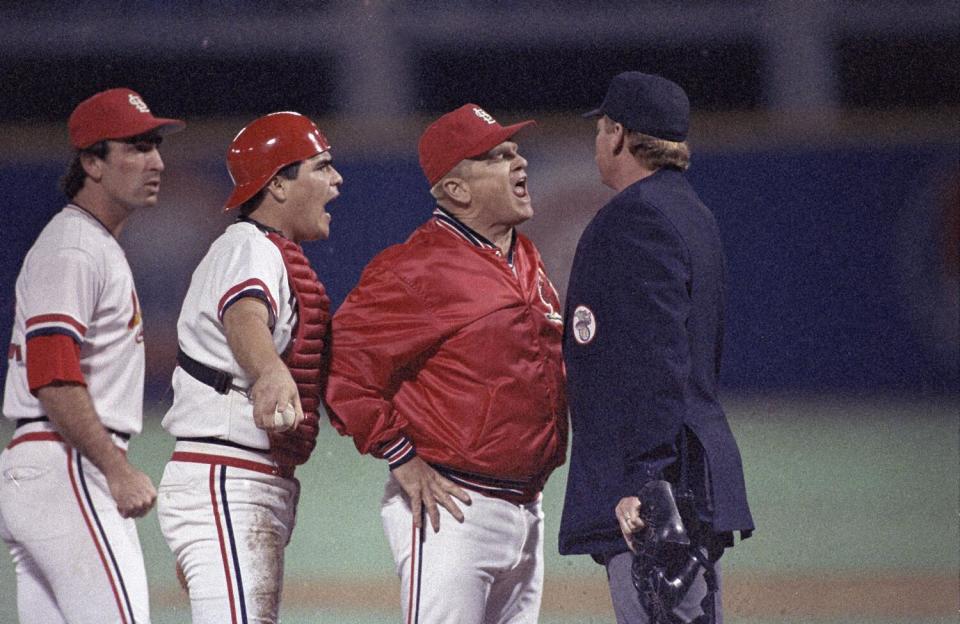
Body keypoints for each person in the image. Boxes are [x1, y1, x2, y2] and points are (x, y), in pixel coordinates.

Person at [325, 104, 568, 624]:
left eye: (516, 150)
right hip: (452, 511)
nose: (520, 162)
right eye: (499, 157)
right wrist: (400, 454)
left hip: (527, 507)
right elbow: (344, 368)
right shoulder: (415, 267)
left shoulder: (524, 256)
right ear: (457, 190)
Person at [558, 71, 755, 624]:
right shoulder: (692, 212)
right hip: (689, 469)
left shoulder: (634, 217)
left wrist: (643, 482)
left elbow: (655, 358)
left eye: (600, 130)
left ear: (618, 134)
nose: (597, 142)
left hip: (658, 487)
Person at [0, 87, 184, 624]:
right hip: (69, 464)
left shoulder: (89, 244)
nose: (156, 161)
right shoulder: (75, 248)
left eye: (155, 146)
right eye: (136, 147)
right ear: (91, 162)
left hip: (43, 467)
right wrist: (115, 468)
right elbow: (52, 374)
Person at [156, 111, 341, 624]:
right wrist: (269, 371)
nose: (336, 179)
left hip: (244, 479)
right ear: (278, 184)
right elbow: (243, 314)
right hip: (227, 475)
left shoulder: (272, 252)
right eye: (322, 167)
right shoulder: (246, 245)